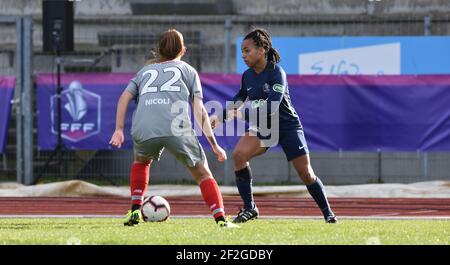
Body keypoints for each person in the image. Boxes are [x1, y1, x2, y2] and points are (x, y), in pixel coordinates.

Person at [109, 29, 238, 228]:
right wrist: (214, 144)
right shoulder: (188, 70)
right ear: (183, 50)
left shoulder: (144, 72)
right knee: (203, 174)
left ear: (158, 49)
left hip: (145, 128)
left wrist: (118, 129)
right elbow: (199, 110)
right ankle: (221, 220)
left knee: (141, 162)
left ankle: (135, 210)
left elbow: (124, 97)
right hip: (176, 128)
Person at [210, 28, 337, 224]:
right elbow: (240, 98)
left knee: (306, 173)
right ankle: (250, 208)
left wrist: (242, 113)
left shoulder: (277, 73)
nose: (243, 55)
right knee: (239, 155)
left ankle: (328, 213)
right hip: (263, 127)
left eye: (247, 50)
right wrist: (220, 117)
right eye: (242, 51)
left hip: (286, 126)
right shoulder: (247, 76)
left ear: (262, 49)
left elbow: (272, 106)